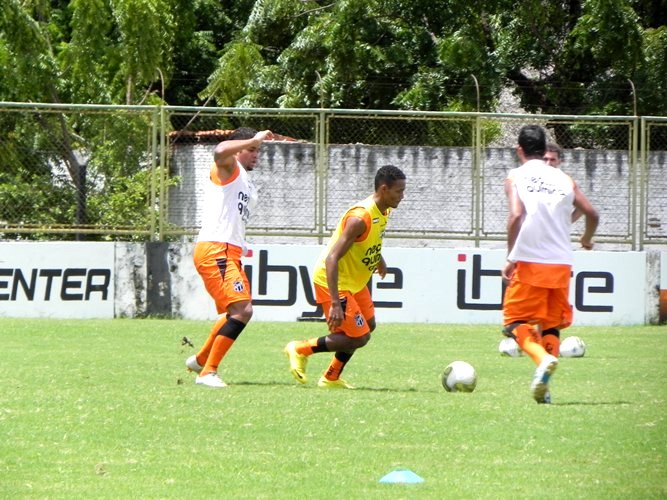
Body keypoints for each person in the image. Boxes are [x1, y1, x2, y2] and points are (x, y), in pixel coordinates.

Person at [284, 165, 407, 389]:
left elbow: (367, 241)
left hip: (355, 283)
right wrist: (334, 303)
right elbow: (332, 258)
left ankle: (331, 378)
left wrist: (378, 259)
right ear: (383, 189)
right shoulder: (360, 217)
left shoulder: (384, 211)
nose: (402, 196)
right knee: (359, 337)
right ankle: (300, 349)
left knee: (367, 326)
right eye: (399, 191)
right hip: (334, 282)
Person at [502, 125, 599, 403]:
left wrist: (511, 257)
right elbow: (592, 213)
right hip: (561, 263)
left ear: (519, 150)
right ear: (544, 149)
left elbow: (516, 216)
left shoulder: (515, 176)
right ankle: (546, 390)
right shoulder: (564, 179)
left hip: (531, 261)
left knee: (515, 323)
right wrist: (586, 238)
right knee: (551, 324)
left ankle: (542, 359)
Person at [185, 127, 274, 388]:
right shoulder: (230, 167)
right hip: (216, 250)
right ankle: (207, 373)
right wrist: (253, 139)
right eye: (253, 150)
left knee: (232, 311)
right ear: (240, 148)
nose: (256, 154)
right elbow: (220, 150)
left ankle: (201, 360)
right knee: (242, 309)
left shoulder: (244, 178)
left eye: (258, 150)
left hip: (229, 251)